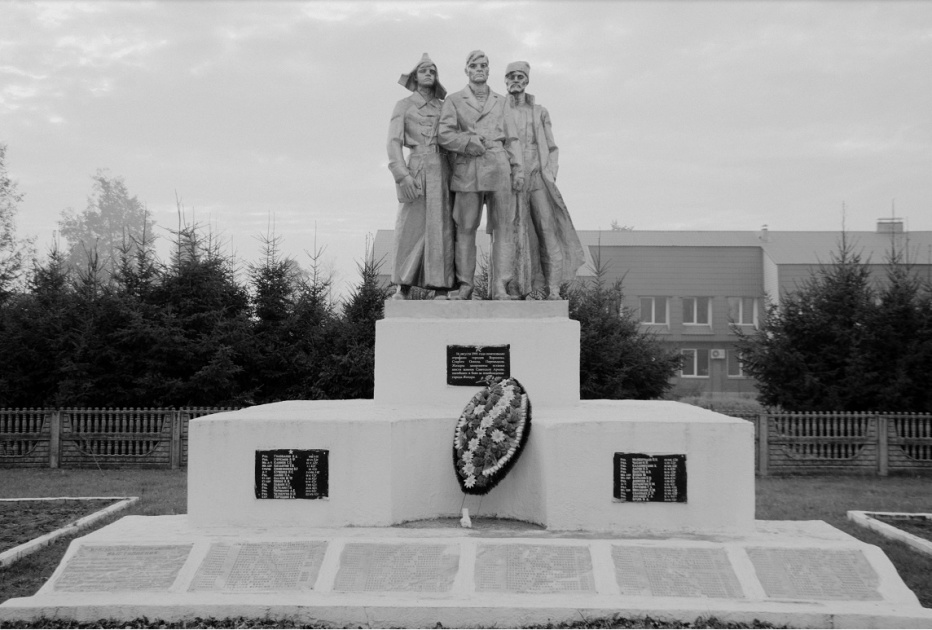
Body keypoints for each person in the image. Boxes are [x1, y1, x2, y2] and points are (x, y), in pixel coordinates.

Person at [438, 50, 524, 300]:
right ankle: (465, 284)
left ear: (489, 70)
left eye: (484, 65)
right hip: (468, 169)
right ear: (467, 70)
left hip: (498, 167)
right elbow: (444, 134)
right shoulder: (453, 100)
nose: (480, 69)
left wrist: (518, 169)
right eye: (474, 65)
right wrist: (466, 142)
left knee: (503, 229)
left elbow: (513, 138)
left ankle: (500, 284)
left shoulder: (501, 101)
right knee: (465, 228)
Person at [504, 61, 585, 299]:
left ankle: (554, 288)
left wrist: (549, 174)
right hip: (511, 181)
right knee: (513, 234)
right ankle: (516, 287)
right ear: (506, 81)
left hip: (538, 178)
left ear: (527, 80)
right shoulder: (500, 109)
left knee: (547, 230)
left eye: (520, 76)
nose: (516, 80)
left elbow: (551, 147)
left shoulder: (539, 111)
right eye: (511, 77)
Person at [387, 53, 455, 300]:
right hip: (415, 167)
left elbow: (453, 138)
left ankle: (441, 285)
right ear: (415, 75)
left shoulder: (445, 107)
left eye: (433, 70)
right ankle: (402, 285)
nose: (429, 73)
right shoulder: (403, 106)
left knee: (441, 228)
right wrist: (401, 175)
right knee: (410, 227)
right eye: (424, 70)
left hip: (443, 168)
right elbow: (393, 142)